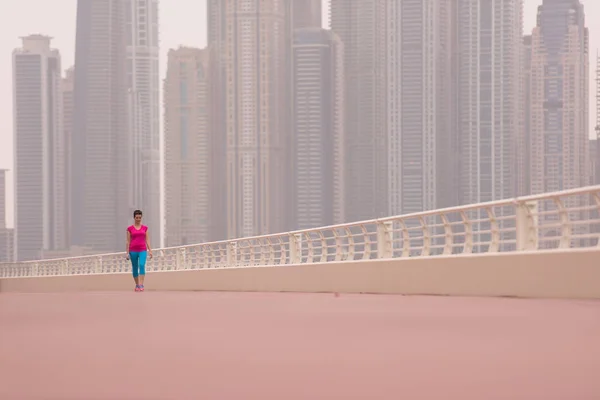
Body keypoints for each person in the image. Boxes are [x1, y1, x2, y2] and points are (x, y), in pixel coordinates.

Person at [126, 210, 153, 292]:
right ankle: (137, 284)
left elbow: (147, 240)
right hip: (133, 250)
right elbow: (128, 241)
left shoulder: (145, 228)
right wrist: (127, 253)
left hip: (142, 250)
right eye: (137, 217)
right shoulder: (129, 229)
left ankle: (141, 284)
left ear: (141, 218)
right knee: (135, 267)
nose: (138, 219)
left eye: (139, 218)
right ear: (134, 218)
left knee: (141, 265)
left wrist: (150, 250)